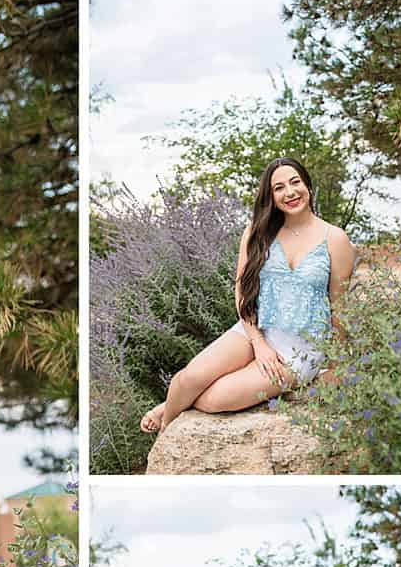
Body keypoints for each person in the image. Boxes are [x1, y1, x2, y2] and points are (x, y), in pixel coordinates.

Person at [139, 157, 355, 434]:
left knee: (214, 398)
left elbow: (341, 307)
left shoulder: (334, 238)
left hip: (299, 350)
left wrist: (336, 366)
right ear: (271, 196)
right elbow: (243, 290)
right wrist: (259, 343)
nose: (289, 192)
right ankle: (167, 428)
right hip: (255, 330)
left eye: (295, 182)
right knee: (185, 381)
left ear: (307, 185)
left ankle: (169, 412)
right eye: (279, 188)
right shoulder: (257, 233)